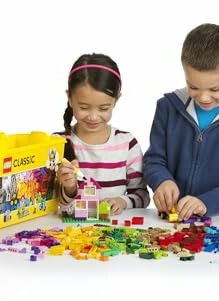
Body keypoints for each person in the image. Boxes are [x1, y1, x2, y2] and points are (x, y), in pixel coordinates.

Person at [143, 23, 219, 221]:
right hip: (176, 221)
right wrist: (162, 181)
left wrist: (207, 202)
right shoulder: (168, 107)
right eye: (193, 86)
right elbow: (154, 159)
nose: (204, 98)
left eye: (215, 89)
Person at [56, 53, 150, 215]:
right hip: (71, 234)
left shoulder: (127, 144)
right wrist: (69, 188)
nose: (93, 116)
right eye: (84, 107)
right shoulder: (57, 144)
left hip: (115, 232)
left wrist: (123, 201)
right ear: (70, 99)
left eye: (103, 108)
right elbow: (50, 202)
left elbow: (142, 195)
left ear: (116, 101)